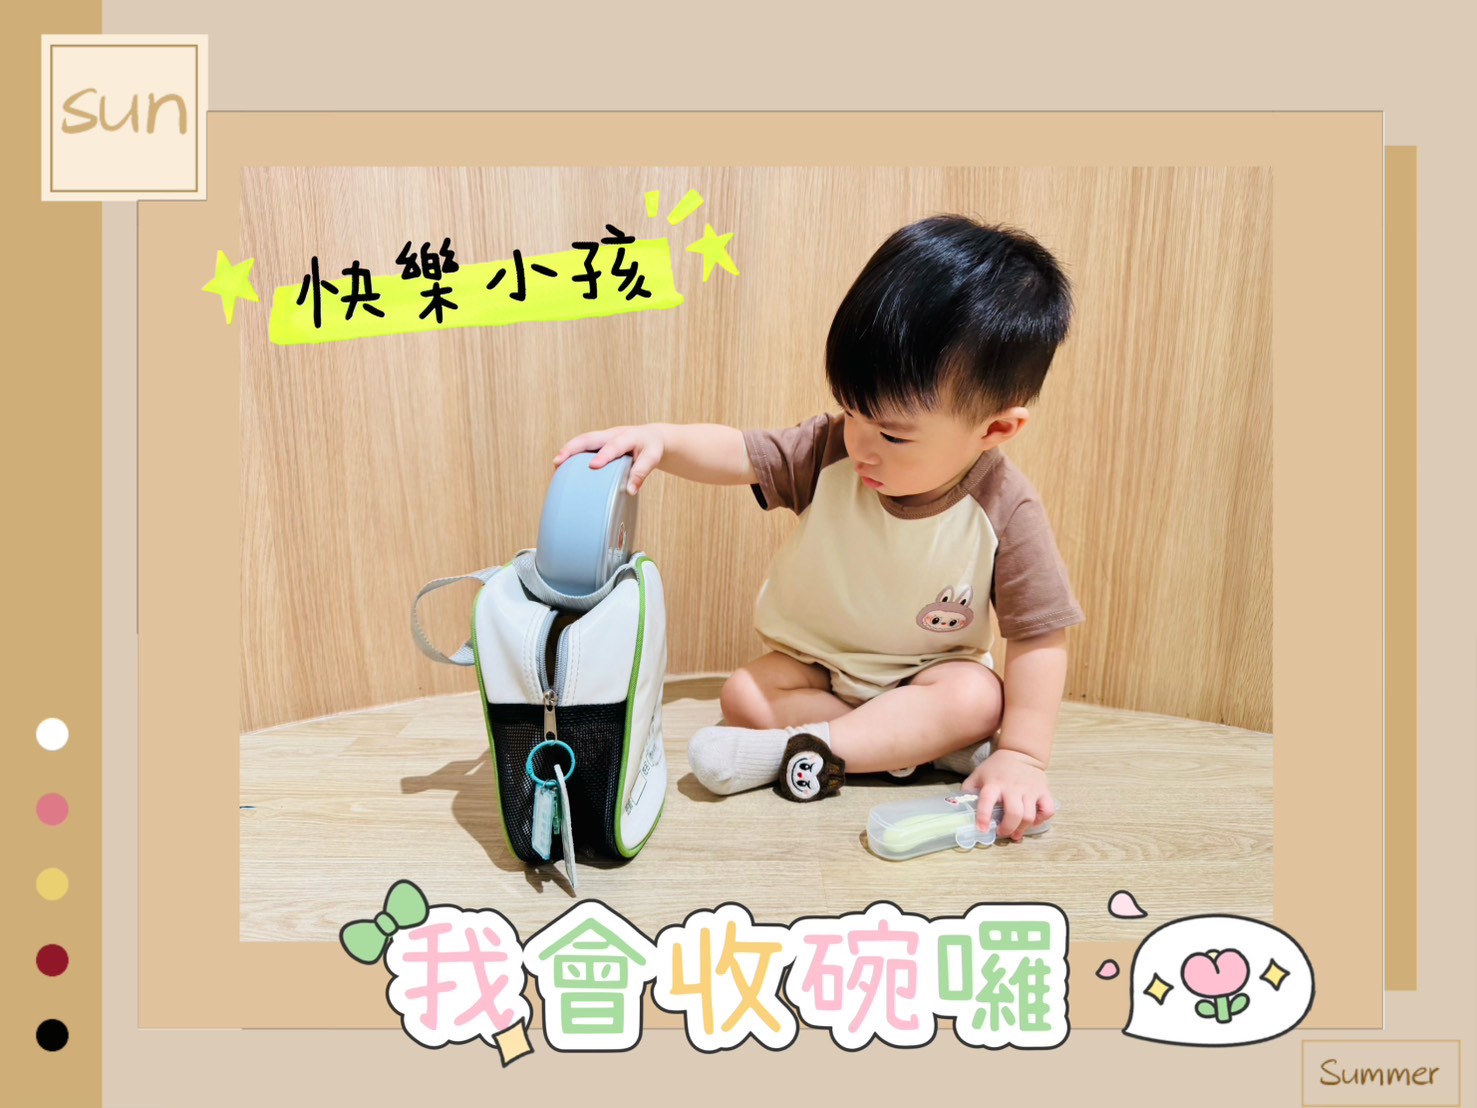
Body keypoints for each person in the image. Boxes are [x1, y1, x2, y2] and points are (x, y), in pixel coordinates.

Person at [551, 214, 1083, 841]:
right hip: (817, 670)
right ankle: (902, 750)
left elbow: (1038, 636)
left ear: (996, 429)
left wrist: (1020, 754)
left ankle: (798, 753)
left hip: (927, 678)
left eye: (892, 434)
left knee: (978, 699)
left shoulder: (1005, 509)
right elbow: (741, 452)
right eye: (851, 411)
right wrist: (660, 440)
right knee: (744, 694)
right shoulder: (830, 452)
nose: (861, 445)